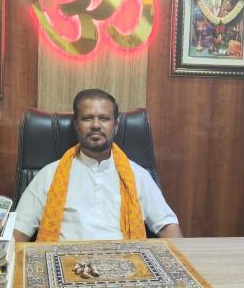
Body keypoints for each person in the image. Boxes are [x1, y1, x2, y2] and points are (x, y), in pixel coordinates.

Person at [14, 89, 183, 242]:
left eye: (104, 118)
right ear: (76, 125)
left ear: (115, 126)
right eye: (88, 118)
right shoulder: (49, 174)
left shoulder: (137, 175)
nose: (96, 125)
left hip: (125, 262)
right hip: (66, 262)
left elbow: (167, 225)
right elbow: (18, 231)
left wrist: (181, 260)